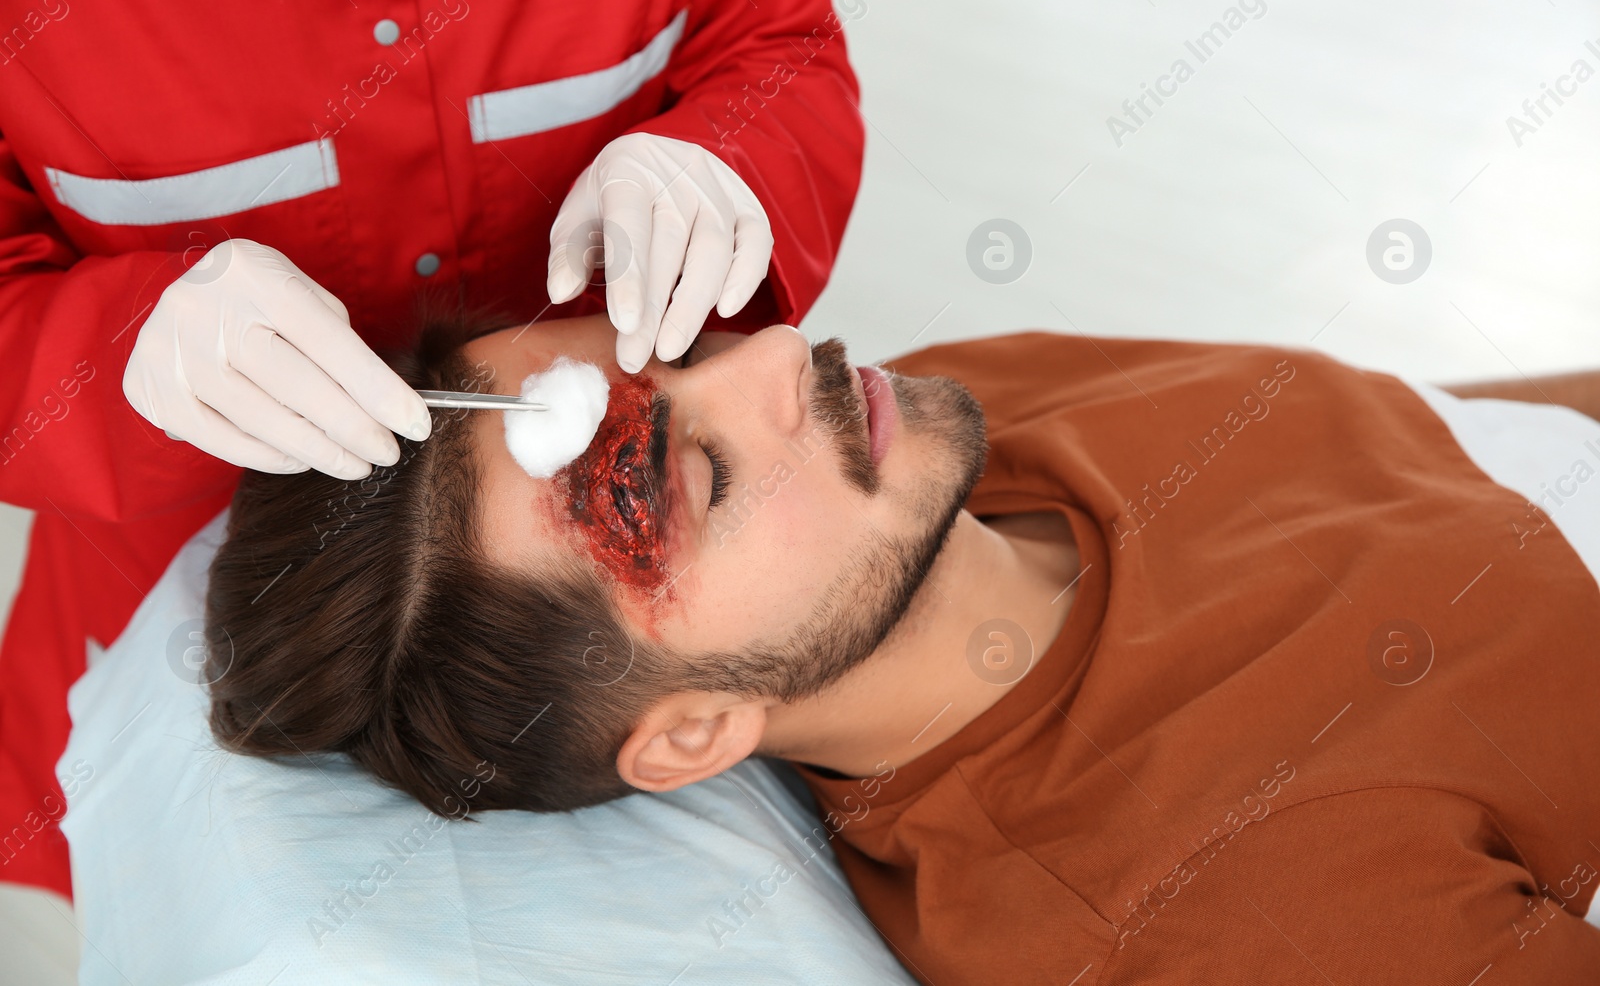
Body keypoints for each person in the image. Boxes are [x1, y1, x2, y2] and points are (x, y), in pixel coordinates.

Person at [205, 309, 1600, 983]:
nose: (778, 359)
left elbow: (1438, 438)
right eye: (674, 481)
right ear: (692, 731)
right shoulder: (1203, 923)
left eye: (669, 348)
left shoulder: (933, 433)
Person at [0, 0, 863, 902]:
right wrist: (101, 351)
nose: (792, 361)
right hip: (157, 594)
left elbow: (776, 43)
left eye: (646, 465)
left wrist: (733, 149)